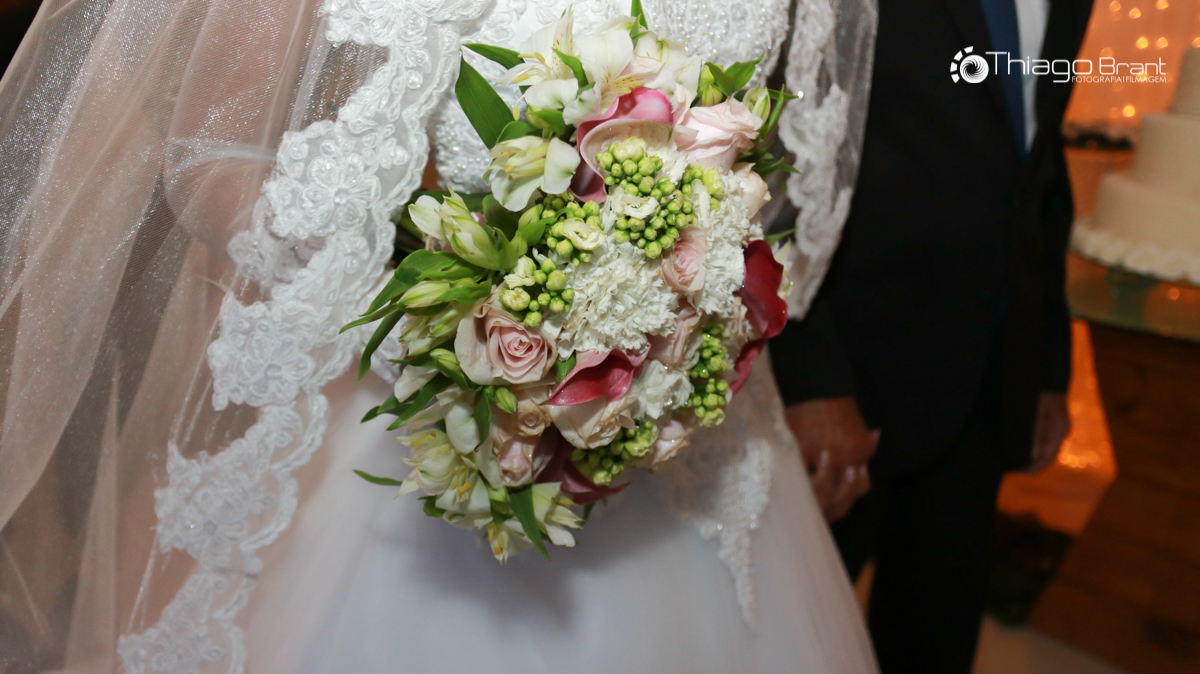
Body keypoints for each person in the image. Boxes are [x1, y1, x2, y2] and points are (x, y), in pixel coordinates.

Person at [0, 0, 879, 671]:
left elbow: (782, 165)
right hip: (428, 421)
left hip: (696, 431)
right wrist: (430, 312)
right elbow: (211, 147)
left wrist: (680, 312)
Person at [769, 0, 1093, 671]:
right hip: (849, 374)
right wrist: (807, 373)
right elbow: (775, 146)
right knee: (797, 642)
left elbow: (1038, 158)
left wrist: (1046, 361)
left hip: (988, 374)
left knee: (934, 641)